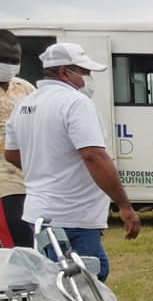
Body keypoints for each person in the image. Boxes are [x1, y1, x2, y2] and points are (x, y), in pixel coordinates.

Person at [4, 43, 140, 280]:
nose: (89, 78)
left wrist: (44, 166)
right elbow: (93, 155)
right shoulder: (75, 103)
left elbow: (11, 154)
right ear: (64, 72)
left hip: (38, 212)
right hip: (72, 215)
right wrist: (124, 205)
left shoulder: (25, 104)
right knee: (83, 283)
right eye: (85, 72)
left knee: (57, 281)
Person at [0, 30, 35, 248]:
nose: (10, 65)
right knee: (17, 245)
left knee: (30, 243)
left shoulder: (26, 88)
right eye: (4, 59)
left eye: (15, 61)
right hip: (4, 184)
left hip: (28, 180)